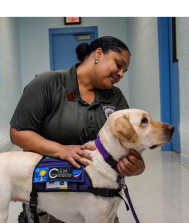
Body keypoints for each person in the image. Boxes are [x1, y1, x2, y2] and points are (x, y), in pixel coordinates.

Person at [10, 36, 145, 223]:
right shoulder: (48, 83)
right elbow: (19, 132)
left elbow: (127, 144)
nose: (121, 73)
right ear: (98, 54)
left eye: (125, 71)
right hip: (50, 197)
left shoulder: (115, 98)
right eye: (119, 64)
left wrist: (135, 165)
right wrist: (61, 150)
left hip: (98, 203)